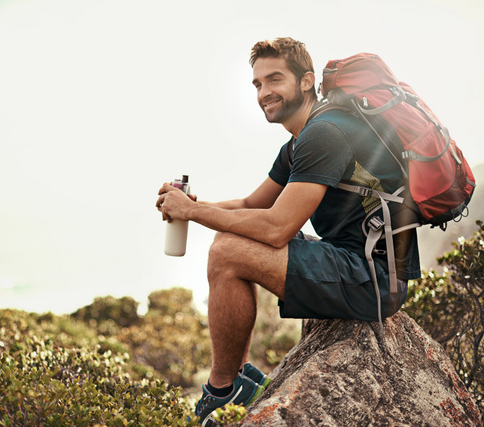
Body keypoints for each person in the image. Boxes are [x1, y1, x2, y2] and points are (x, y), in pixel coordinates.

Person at [155, 37, 420, 425]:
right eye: (258, 84)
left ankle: (222, 391)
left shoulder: (326, 133)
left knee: (227, 251)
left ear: (307, 81)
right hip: (355, 264)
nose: (264, 93)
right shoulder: (300, 141)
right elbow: (251, 206)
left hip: (374, 281)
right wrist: (193, 205)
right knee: (229, 240)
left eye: (274, 79)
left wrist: (193, 214)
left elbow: (277, 227)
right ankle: (240, 381)